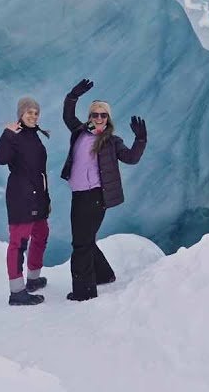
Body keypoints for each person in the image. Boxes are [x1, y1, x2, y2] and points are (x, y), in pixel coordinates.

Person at [60, 79, 147, 302]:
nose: (99, 118)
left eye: (103, 115)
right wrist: (72, 96)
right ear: (89, 117)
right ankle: (104, 275)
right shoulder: (79, 132)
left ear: (108, 119)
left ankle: (84, 291)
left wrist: (140, 139)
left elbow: (131, 158)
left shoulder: (111, 141)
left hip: (96, 197)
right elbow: (68, 117)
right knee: (84, 239)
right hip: (78, 194)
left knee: (81, 243)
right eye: (95, 114)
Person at [0, 96, 52, 306]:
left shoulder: (34, 135)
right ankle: (17, 292)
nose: (33, 116)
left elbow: (40, 171)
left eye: (36, 113)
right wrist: (8, 134)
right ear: (20, 114)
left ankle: (33, 279)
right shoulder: (15, 135)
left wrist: (46, 198)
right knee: (18, 242)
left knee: (41, 233)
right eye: (29, 112)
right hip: (21, 197)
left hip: (38, 196)